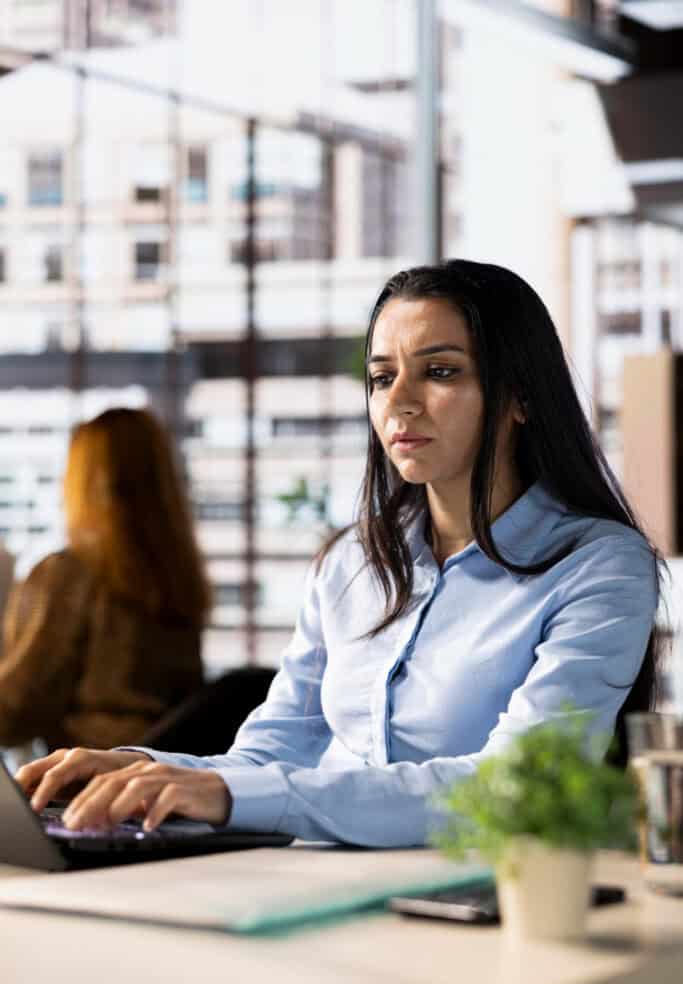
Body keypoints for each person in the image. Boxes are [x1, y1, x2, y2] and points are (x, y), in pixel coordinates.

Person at [17, 261, 663, 848]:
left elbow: (515, 787)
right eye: (382, 377)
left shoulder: (599, 566)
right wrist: (146, 769)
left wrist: (233, 793)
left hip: (480, 901)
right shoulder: (350, 563)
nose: (399, 402)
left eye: (439, 371)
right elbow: (269, 757)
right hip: (306, 889)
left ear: (519, 396)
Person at [0, 407, 211, 751]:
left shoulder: (70, 573)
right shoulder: (179, 580)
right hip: (164, 782)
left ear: (82, 481)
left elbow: (17, 710)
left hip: (85, 785)